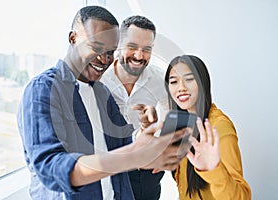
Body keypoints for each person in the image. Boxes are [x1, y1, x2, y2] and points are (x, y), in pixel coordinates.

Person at [17, 6, 183, 200]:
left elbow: (123, 146)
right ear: (73, 39)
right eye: (96, 47)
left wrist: (149, 146)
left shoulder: (102, 92)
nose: (103, 59)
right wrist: (130, 156)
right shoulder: (43, 89)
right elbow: (50, 167)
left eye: (110, 52)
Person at [164, 55, 252, 199]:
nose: (181, 88)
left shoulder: (219, 128)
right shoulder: (181, 124)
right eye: (174, 82)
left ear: (202, 81)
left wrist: (214, 170)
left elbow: (241, 197)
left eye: (189, 79)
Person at [100, 15, 168, 200]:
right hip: (106, 169)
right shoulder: (99, 79)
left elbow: (177, 116)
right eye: (132, 47)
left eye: (146, 49)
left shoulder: (160, 80)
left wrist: (167, 152)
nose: (139, 56)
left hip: (143, 174)